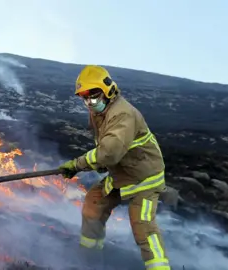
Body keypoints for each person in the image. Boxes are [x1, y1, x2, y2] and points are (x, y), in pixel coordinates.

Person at [58, 65, 170, 270]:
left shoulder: (123, 114)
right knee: (93, 205)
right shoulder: (100, 111)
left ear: (108, 90)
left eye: (92, 95)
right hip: (122, 173)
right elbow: (107, 149)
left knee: (144, 228)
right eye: (84, 97)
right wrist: (100, 164)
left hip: (145, 178)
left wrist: (77, 165)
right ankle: (89, 261)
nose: (89, 102)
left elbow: (110, 151)